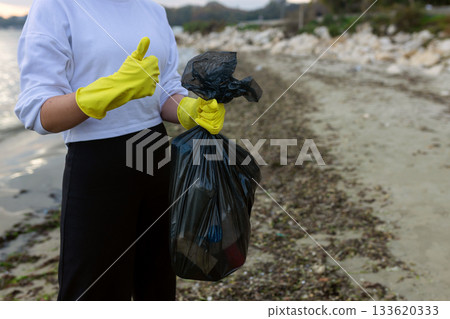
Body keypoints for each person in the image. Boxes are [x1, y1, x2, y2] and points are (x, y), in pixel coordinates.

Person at [15, 0, 225, 301]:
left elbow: (165, 87)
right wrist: (98, 95)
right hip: (97, 164)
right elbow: (37, 110)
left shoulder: (152, 9)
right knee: (94, 291)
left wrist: (188, 109)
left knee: (157, 283)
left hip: (155, 155)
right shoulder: (56, 6)